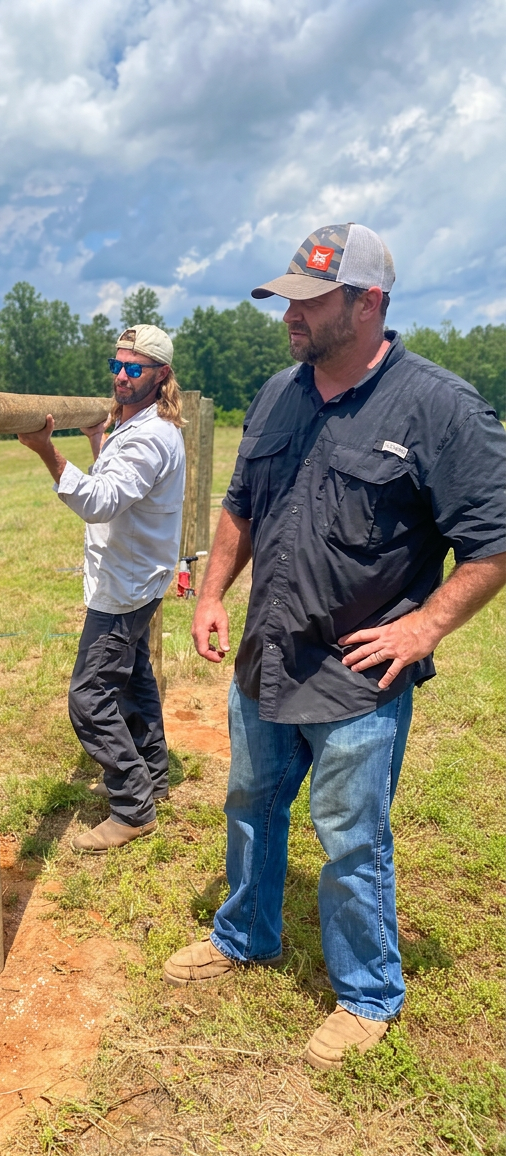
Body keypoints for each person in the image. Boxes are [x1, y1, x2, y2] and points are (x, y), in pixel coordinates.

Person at [162, 224, 506, 1069]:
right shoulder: (280, 392)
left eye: (311, 301)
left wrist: (425, 624)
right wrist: (212, 593)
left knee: (352, 834)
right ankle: (245, 932)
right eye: (287, 298)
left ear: (369, 302)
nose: (292, 314)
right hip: (267, 659)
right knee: (250, 804)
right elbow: (243, 500)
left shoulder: (439, 408)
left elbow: (495, 537)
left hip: (357, 678)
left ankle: (367, 992)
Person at [17, 324, 185, 852]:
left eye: (134, 368)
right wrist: (96, 440)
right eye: (117, 364)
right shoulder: (136, 428)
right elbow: (112, 480)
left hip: (125, 586)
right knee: (134, 681)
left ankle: (133, 806)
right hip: (135, 579)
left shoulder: (152, 436)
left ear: (160, 376)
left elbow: (99, 502)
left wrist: (46, 451)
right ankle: (153, 776)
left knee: (89, 697)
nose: (121, 375)